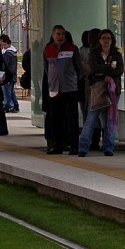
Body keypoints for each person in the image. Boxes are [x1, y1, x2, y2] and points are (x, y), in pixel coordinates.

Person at [78, 28, 123, 157]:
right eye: (103, 38)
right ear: (99, 40)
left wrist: (103, 71)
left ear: (112, 40)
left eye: (108, 38)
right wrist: (109, 68)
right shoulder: (94, 54)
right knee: (91, 118)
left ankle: (108, 147)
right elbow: (93, 68)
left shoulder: (117, 54)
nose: (106, 41)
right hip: (97, 90)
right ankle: (83, 147)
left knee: (110, 119)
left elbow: (119, 70)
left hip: (113, 90)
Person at [43, 24, 82, 155]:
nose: (60, 36)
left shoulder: (72, 48)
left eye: (62, 34)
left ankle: (74, 145)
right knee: (55, 118)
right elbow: (46, 68)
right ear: (53, 35)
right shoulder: (47, 49)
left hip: (70, 88)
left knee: (71, 118)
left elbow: (79, 68)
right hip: (54, 88)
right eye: (57, 34)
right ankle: (57, 145)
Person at [0, 34, 19, 113]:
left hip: (7, 75)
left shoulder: (7, 53)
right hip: (12, 74)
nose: (3, 46)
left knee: (7, 91)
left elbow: (4, 65)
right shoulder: (13, 52)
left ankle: (9, 106)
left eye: (4, 44)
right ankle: (15, 105)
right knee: (11, 91)